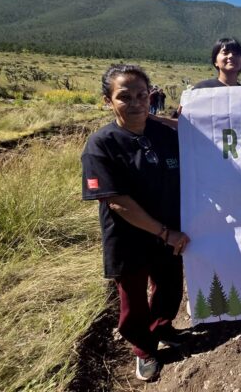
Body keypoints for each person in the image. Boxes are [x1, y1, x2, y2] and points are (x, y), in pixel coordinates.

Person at [82, 65, 190, 381]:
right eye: (124, 97)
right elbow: (116, 201)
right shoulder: (101, 144)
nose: (135, 103)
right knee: (132, 300)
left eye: (142, 95)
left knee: (169, 287)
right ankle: (144, 350)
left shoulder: (164, 135)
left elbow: (199, 139)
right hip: (129, 238)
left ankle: (163, 328)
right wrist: (164, 232)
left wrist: (176, 118)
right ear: (108, 100)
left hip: (169, 234)